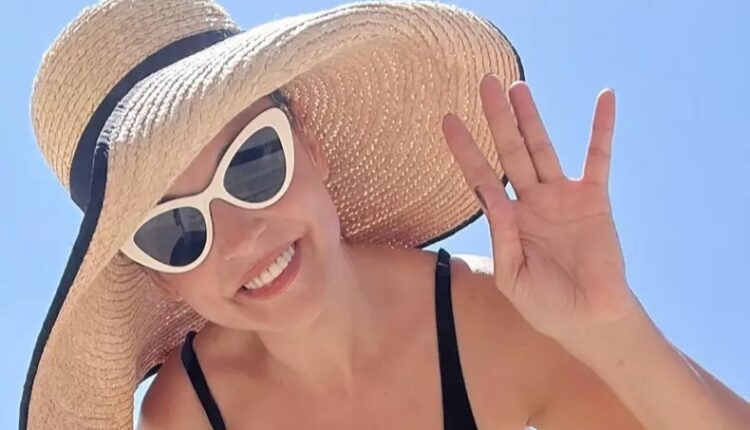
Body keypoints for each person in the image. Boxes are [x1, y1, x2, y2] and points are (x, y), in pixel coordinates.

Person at [20, 0, 749, 429]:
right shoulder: (185, 415)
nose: (243, 236)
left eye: (252, 162)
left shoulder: (491, 320)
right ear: (161, 278)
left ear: (310, 144)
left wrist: (611, 326)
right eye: (175, 230)